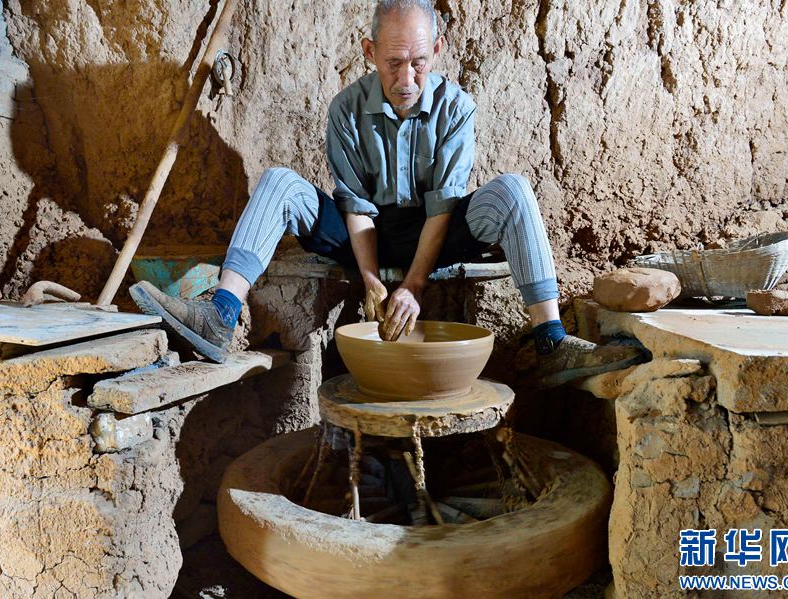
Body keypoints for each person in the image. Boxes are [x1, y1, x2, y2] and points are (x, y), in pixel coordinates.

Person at [130, 0, 643, 387]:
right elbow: (355, 207)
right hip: (365, 234)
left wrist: (414, 286)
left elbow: (443, 209)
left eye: (419, 61)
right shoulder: (346, 109)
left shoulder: (455, 108)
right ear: (369, 51)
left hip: (435, 234)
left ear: (436, 52)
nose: (407, 77)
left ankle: (549, 340)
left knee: (512, 191)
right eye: (393, 62)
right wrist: (374, 282)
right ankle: (220, 314)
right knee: (279, 183)